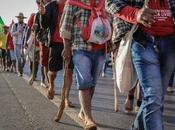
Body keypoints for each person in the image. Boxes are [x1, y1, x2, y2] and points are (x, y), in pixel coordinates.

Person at [106, 0, 175, 130]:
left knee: (156, 98)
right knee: (154, 96)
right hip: (142, 39)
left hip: (170, 41)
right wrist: (135, 13)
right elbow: (110, 3)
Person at [60, 0, 112, 129]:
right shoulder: (72, 2)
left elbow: (109, 22)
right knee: (85, 82)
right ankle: (89, 119)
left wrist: (111, 40)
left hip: (100, 49)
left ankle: (83, 112)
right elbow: (66, 26)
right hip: (80, 48)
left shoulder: (102, 3)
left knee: (92, 83)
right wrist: (66, 47)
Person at [38, 0, 74, 107]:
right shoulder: (51, 6)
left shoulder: (73, 4)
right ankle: (51, 85)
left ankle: (66, 97)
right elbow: (44, 26)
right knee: (52, 71)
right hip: (56, 43)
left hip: (70, 42)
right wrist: (43, 14)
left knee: (69, 71)